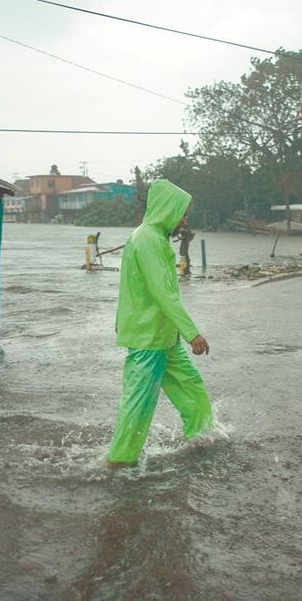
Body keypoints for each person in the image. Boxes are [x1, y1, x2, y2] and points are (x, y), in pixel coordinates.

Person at [107, 180, 212, 466]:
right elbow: (162, 293)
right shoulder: (148, 240)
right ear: (168, 209)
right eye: (182, 212)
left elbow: (131, 286)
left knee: (193, 390)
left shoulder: (153, 237)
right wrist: (192, 333)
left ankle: (201, 439)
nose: (185, 219)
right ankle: (118, 463)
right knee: (138, 406)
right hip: (149, 339)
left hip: (164, 337)